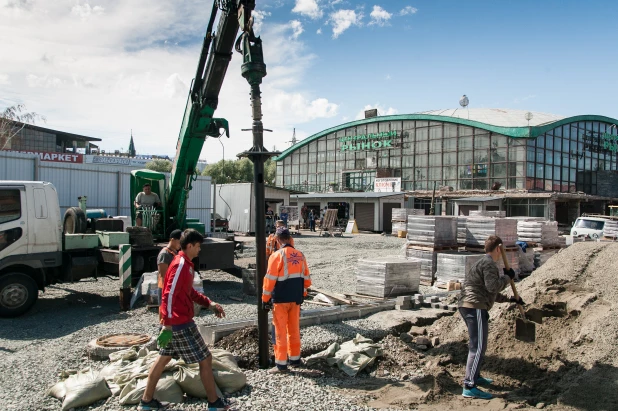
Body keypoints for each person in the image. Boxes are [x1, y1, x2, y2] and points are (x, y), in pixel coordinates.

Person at [139, 229, 231, 411]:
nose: (199, 250)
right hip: (179, 324)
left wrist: (209, 303)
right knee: (205, 358)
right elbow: (169, 294)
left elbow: (188, 291)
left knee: (162, 360)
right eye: (198, 246)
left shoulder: (185, 264)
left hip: (174, 323)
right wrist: (167, 324)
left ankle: (146, 402)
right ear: (189, 245)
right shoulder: (181, 264)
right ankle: (214, 403)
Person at [458, 235, 522, 400]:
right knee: (477, 347)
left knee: (480, 345)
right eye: (501, 251)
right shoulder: (489, 264)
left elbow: (490, 292)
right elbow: (493, 286)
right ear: (498, 249)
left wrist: (511, 299)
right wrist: (508, 277)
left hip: (472, 305)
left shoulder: (482, 262)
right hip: (474, 306)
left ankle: (475, 376)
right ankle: (469, 386)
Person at [262, 227, 311, 373]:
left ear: (277, 240)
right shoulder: (300, 255)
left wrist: (265, 300)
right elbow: (307, 280)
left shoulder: (276, 256)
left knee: (279, 331)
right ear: (290, 239)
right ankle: (295, 359)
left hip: (280, 300)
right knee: (294, 329)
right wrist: (301, 293)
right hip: (296, 299)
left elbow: (269, 280)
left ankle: (281, 365)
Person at [156, 229, 182, 308]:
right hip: (166, 289)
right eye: (179, 241)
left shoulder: (175, 253)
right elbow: (163, 275)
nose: (181, 244)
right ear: (172, 239)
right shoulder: (164, 254)